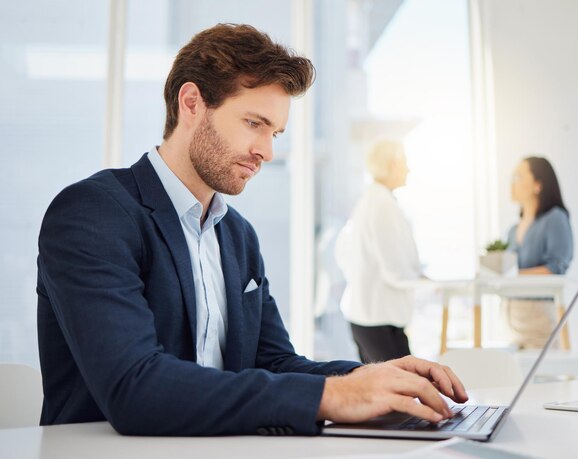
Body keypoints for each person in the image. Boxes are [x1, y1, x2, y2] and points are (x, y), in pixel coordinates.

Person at [36, 24, 467, 436]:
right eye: (254, 123)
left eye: (275, 132)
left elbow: (274, 362)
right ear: (191, 103)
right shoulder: (93, 213)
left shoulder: (237, 235)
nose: (267, 150)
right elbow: (135, 387)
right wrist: (334, 394)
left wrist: (370, 377)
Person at [335, 140, 423, 363]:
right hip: (379, 319)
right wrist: (424, 282)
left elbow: (342, 253)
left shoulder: (368, 201)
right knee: (403, 388)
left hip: (366, 316)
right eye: (405, 162)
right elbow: (394, 268)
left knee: (385, 391)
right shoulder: (382, 205)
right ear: (393, 164)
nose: (409, 169)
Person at [505, 156, 574, 348]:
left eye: (519, 177)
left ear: (538, 185)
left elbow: (556, 267)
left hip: (539, 319)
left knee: (543, 375)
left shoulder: (555, 219)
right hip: (512, 318)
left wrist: (512, 277)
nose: (512, 183)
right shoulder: (512, 230)